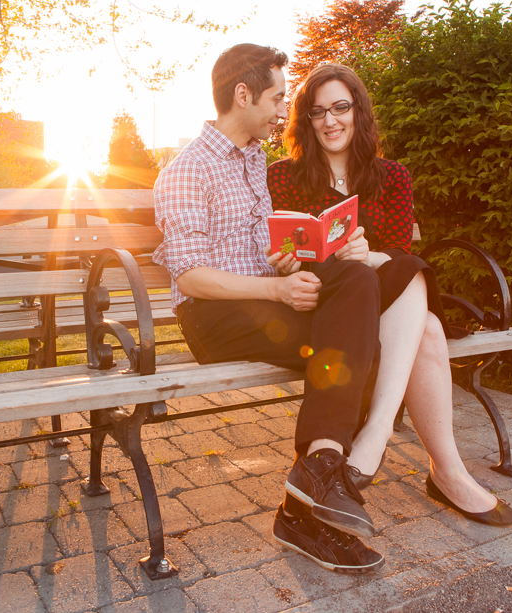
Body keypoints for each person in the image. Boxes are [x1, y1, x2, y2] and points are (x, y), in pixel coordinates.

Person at [154, 44, 387, 574]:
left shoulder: (253, 160)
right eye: (278, 97)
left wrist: (290, 269)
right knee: (355, 343)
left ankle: (315, 480)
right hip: (213, 320)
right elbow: (189, 276)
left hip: (263, 304)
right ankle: (314, 497)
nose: (286, 110)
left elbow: (261, 251)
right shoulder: (187, 170)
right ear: (243, 95)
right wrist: (276, 293)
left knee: (356, 278)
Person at [266, 63, 512, 527]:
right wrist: (285, 260)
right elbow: (286, 244)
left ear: (359, 112)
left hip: (383, 289)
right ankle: (444, 471)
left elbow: (399, 253)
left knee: (404, 272)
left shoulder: (393, 177)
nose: (330, 120)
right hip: (327, 308)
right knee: (426, 328)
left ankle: (383, 438)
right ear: (306, 121)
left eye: (341, 107)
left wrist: (367, 255)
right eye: (318, 111)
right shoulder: (284, 176)